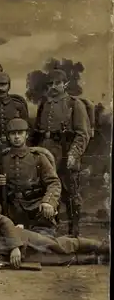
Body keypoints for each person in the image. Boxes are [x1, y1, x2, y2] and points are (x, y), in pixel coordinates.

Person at [0, 193, 109, 270]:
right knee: (55, 261)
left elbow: (4, 221)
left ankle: (102, 247)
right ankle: (96, 259)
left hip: (14, 237)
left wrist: (15, 245)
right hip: (2, 256)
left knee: (58, 245)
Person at [31, 68, 91, 237]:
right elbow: (37, 131)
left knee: (70, 191)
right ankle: (50, 227)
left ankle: (74, 229)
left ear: (65, 84)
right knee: (46, 190)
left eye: (57, 83)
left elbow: (82, 134)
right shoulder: (44, 104)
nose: (53, 87)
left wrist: (74, 154)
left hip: (65, 153)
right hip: (46, 153)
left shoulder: (74, 104)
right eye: (50, 84)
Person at [0, 118, 61, 236]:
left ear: (26, 135)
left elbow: (54, 182)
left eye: (20, 133)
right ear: (8, 137)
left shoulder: (38, 157)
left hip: (35, 206)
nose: (16, 137)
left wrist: (49, 202)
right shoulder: (2, 158)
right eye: (13, 134)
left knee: (43, 238)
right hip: (11, 208)